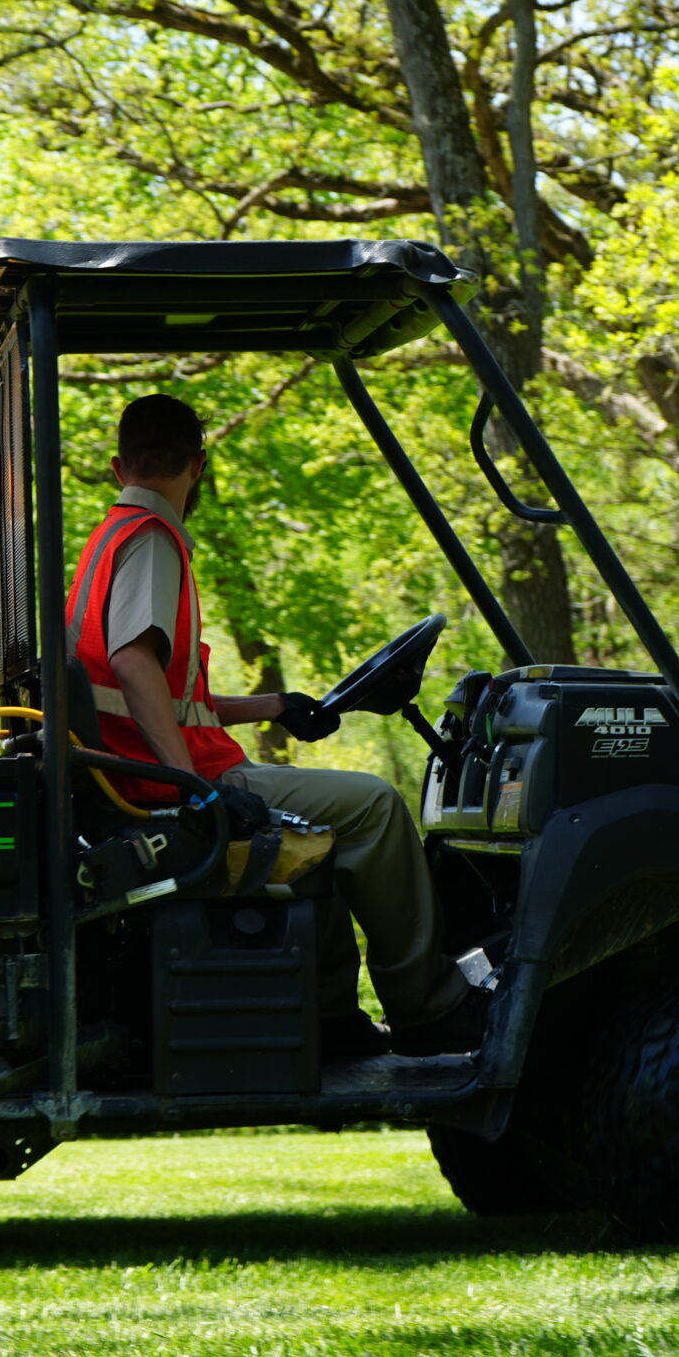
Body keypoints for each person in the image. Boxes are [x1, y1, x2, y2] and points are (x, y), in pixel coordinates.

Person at [65, 393, 490, 1057]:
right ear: (198, 465)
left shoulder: (109, 541)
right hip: (169, 789)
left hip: (155, 777)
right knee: (375, 807)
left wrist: (274, 705)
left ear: (120, 465)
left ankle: (329, 1019)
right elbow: (131, 662)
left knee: (323, 820)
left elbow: (176, 698)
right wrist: (194, 790)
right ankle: (427, 1007)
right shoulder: (152, 539)